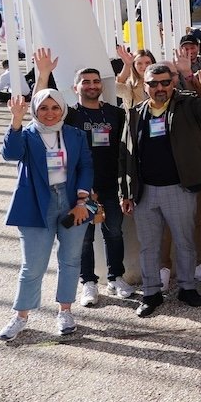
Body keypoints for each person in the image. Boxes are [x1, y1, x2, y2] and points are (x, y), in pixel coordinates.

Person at [126, 61, 201, 317]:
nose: (160, 88)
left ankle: (187, 288)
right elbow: (126, 156)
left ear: (173, 83)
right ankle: (151, 293)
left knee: (184, 241)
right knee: (149, 246)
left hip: (179, 189)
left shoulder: (187, 104)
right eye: (153, 83)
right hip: (145, 192)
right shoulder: (136, 112)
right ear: (144, 85)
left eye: (165, 83)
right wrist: (125, 191)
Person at [0, 90, 95, 341]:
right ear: (35, 111)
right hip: (35, 203)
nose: (50, 113)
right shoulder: (27, 135)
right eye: (43, 108)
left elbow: (85, 166)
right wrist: (16, 121)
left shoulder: (75, 135)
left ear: (63, 109)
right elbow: (10, 154)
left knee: (71, 259)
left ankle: (65, 311)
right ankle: (21, 316)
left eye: (55, 107)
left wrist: (83, 200)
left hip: (73, 202)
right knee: (33, 265)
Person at [65, 68, 134, 306]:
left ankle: (116, 277)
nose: (92, 85)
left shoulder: (115, 113)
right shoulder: (70, 116)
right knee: (84, 237)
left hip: (111, 184)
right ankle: (89, 283)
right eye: (86, 82)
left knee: (114, 232)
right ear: (76, 87)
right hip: (81, 187)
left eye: (96, 81)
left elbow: (125, 149)